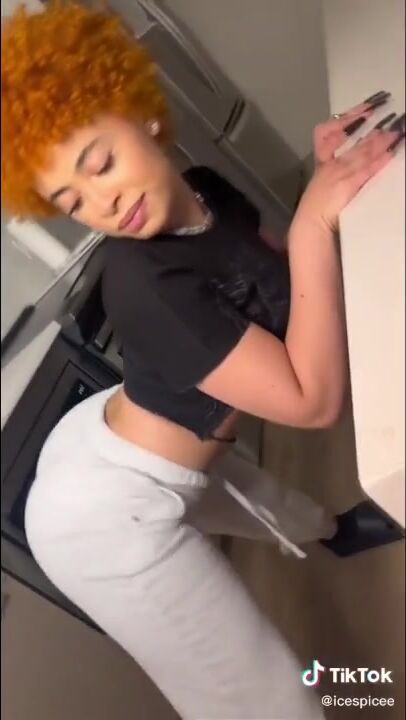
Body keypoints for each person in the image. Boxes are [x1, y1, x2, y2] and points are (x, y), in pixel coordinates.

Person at [2, 3, 404, 718]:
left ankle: (335, 532)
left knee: (270, 500)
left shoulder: (205, 188)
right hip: (104, 521)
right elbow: (312, 401)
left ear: (141, 112)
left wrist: (324, 178)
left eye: (100, 163)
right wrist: (315, 217)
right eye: (71, 200)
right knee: (269, 699)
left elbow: (286, 291)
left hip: (102, 435)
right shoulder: (143, 286)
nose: (103, 201)